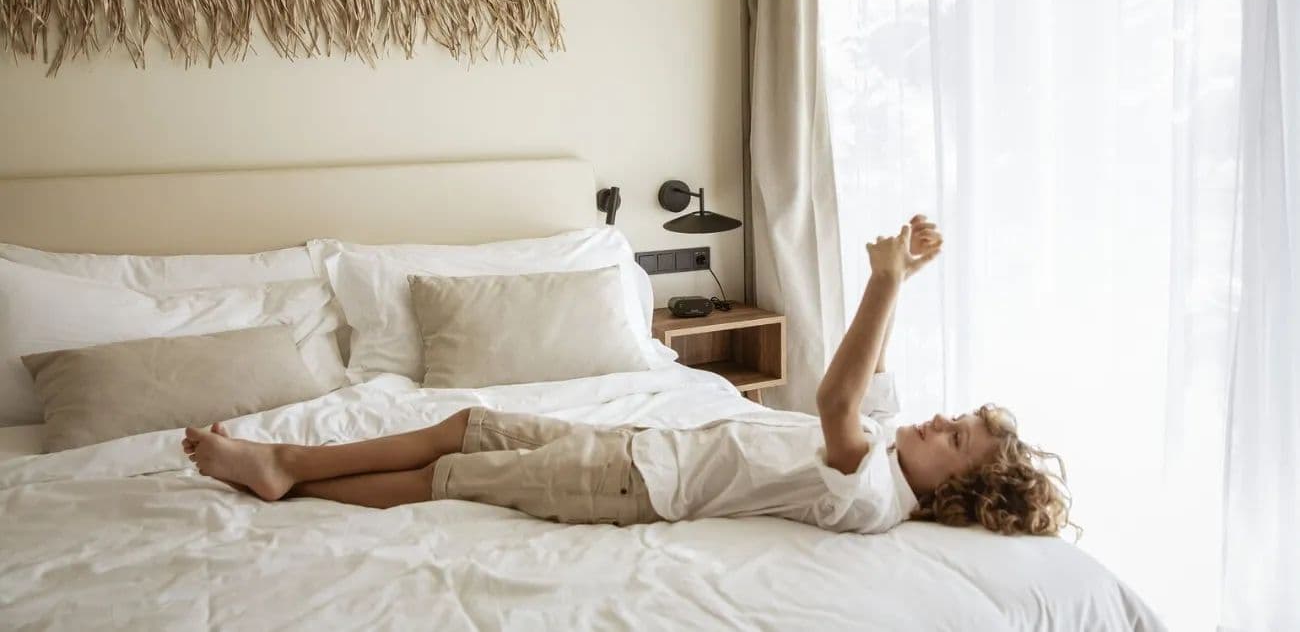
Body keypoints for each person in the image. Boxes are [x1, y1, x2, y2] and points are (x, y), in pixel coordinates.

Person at [184, 215, 1070, 536]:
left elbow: (837, 394)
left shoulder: (873, 494)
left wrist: (880, 282)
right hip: (641, 448)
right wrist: (903, 284)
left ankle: (286, 476)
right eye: (955, 418)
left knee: (445, 477)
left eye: (955, 440)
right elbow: (867, 385)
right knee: (467, 425)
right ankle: (287, 465)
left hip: (628, 486)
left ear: (954, 495)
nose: (939, 423)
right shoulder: (883, 458)